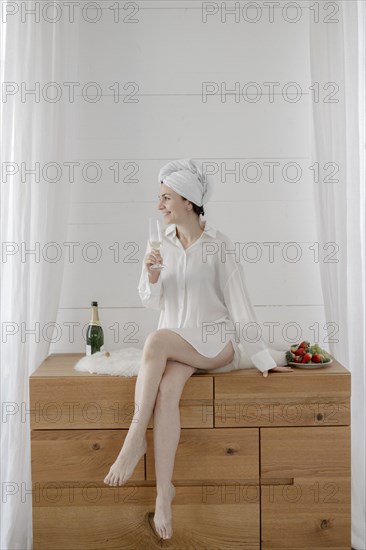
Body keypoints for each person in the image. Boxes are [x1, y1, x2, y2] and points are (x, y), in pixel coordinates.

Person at [103, 158, 292, 540]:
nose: (160, 206)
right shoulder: (159, 244)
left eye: (166, 197)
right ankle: (164, 495)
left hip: (214, 343)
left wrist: (260, 357)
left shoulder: (219, 245)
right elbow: (149, 300)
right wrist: (152, 275)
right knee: (167, 391)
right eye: (159, 198)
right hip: (178, 345)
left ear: (188, 201)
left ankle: (134, 438)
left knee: (155, 341)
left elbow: (240, 303)